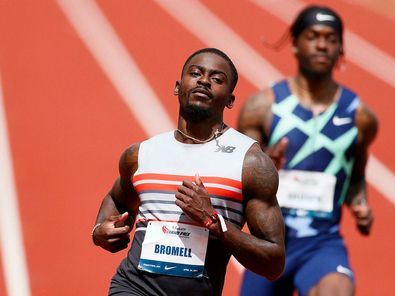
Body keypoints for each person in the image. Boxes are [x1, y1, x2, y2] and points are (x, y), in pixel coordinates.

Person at [92, 48, 286, 296]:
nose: (204, 80)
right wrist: (100, 229)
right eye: (195, 73)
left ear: (230, 100)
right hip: (133, 287)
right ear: (177, 87)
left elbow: (273, 262)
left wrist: (213, 222)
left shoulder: (250, 162)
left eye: (217, 79)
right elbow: (116, 199)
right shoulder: (141, 154)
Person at [238, 5, 378, 296]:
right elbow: (235, 179)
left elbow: (355, 179)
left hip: (321, 243)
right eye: (313, 36)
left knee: (337, 291)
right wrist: (263, 164)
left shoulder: (360, 117)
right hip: (268, 240)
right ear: (295, 44)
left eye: (331, 38)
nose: (322, 44)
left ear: (341, 48)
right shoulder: (261, 108)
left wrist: (360, 204)